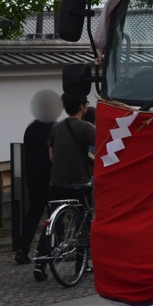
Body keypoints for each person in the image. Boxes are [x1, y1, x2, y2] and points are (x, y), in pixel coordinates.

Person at [35, 91, 96, 282]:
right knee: (83, 225)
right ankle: (81, 265)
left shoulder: (56, 128)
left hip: (56, 184)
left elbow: (51, 157)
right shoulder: (87, 127)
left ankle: (40, 263)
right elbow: (104, 147)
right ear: (81, 106)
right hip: (79, 184)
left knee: (51, 223)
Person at [16, 90, 60, 265]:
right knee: (54, 211)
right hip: (49, 175)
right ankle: (54, 247)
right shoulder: (55, 128)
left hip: (31, 174)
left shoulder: (31, 128)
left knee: (34, 212)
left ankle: (22, 248)